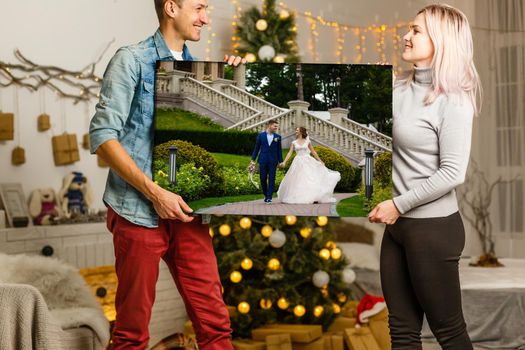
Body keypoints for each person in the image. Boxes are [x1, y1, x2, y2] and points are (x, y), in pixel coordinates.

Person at [89, 0, 245, 349]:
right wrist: (155, 192)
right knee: (131, 333)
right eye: (199, 7)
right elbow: (102, 136)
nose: (206, 18)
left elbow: (230, 131)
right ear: (171, 7)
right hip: (137, 210)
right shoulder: (130, 60)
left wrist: (238, 75)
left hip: (189, 214)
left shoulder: (202, 68)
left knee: (216, 327)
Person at [368, 4, 481, 350]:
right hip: (397, 227)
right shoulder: (396, 89)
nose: (406, 35)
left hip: (433, 230)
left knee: (449, 332)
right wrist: (242, 65)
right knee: (402, 333)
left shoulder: (455, 100)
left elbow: (452, 172)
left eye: (417, 30)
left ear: (441, 40)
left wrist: (397, 205)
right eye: (410, 29)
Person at [277, 127, 341, 204]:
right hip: (298, 162)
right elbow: (289, 153)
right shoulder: (294, 142)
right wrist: (284, 162)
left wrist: (320, 161)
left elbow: (313, 152)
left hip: (307, 161)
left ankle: (313, 196)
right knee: (298, 179)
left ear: (301, 132)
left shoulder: (308, 142)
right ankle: (299, 195)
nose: (296, 132)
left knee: (310, 178)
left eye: (297, 130)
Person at [250, 119, 283, 203]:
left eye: (277, 126)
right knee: (262, 178)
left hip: (273, 161)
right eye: (275, 126)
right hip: (263, 160)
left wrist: (281, 161)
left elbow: (279, 150)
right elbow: (256, 149)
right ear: (269, 125)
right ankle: (265, 194)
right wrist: (253, 160)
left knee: (272, 178)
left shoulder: (278, 137)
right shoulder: (261, 136)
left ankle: (269, 197)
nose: (276, 128)